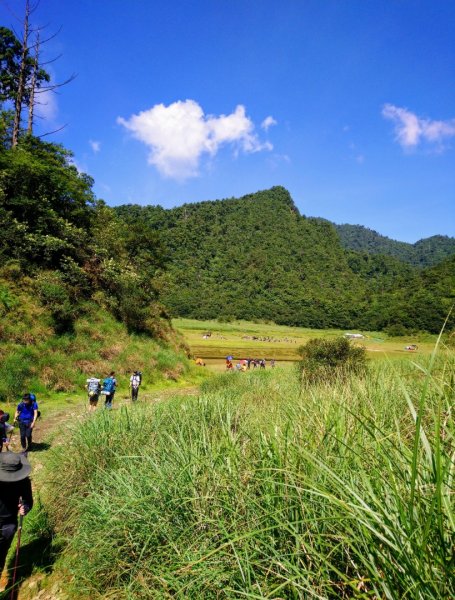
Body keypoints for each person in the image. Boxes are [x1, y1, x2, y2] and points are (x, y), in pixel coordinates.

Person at [0, 453, 33, 584]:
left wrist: (25, 507)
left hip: (8, 524)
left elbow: (28, 500)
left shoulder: (23, 482)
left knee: (1, 552)